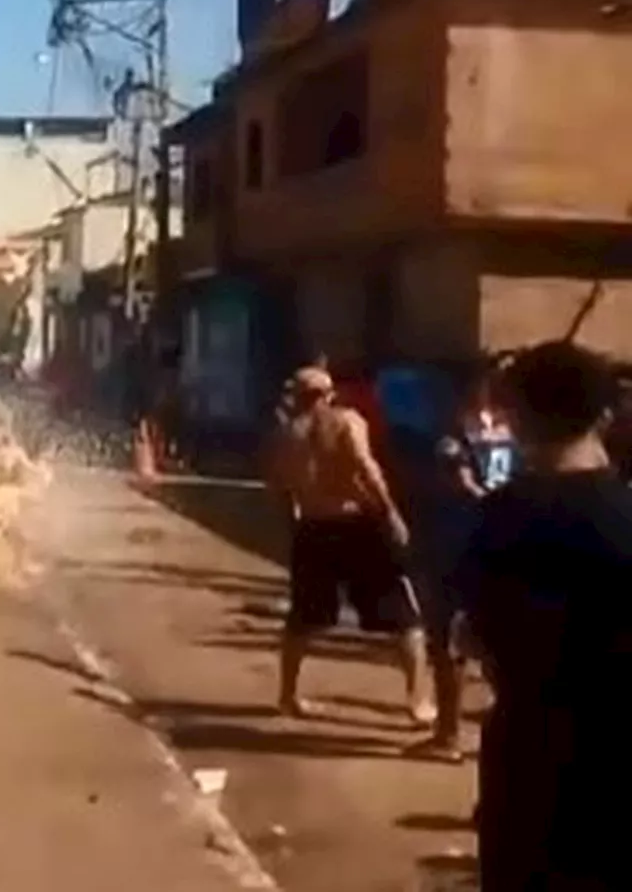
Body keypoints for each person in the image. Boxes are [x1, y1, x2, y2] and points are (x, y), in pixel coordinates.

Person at [457, 340, 632, 890]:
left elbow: (471, 637)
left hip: (524, 761)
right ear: (607, 415)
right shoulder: (623, 519)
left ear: (519, 416)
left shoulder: (490, 520)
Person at [267, 365, 433, 723]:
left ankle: (287, 695)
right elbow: (366, 467)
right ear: (328, 394)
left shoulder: (286, 434)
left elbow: (280, 489)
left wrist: (291, 529)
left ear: (297, 396)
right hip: (356, 524)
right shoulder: (346, 421)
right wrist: (390, 514)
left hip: (313, 526)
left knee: (303, 619)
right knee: (405, 618)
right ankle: (418, 701)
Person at [408, 371, 517, 763]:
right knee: (499, 643)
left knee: (447, 644)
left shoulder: (454, 436)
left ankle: (449, 734)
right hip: (502, 543)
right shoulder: (515, 432)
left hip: (456, 546)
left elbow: (459, 480)